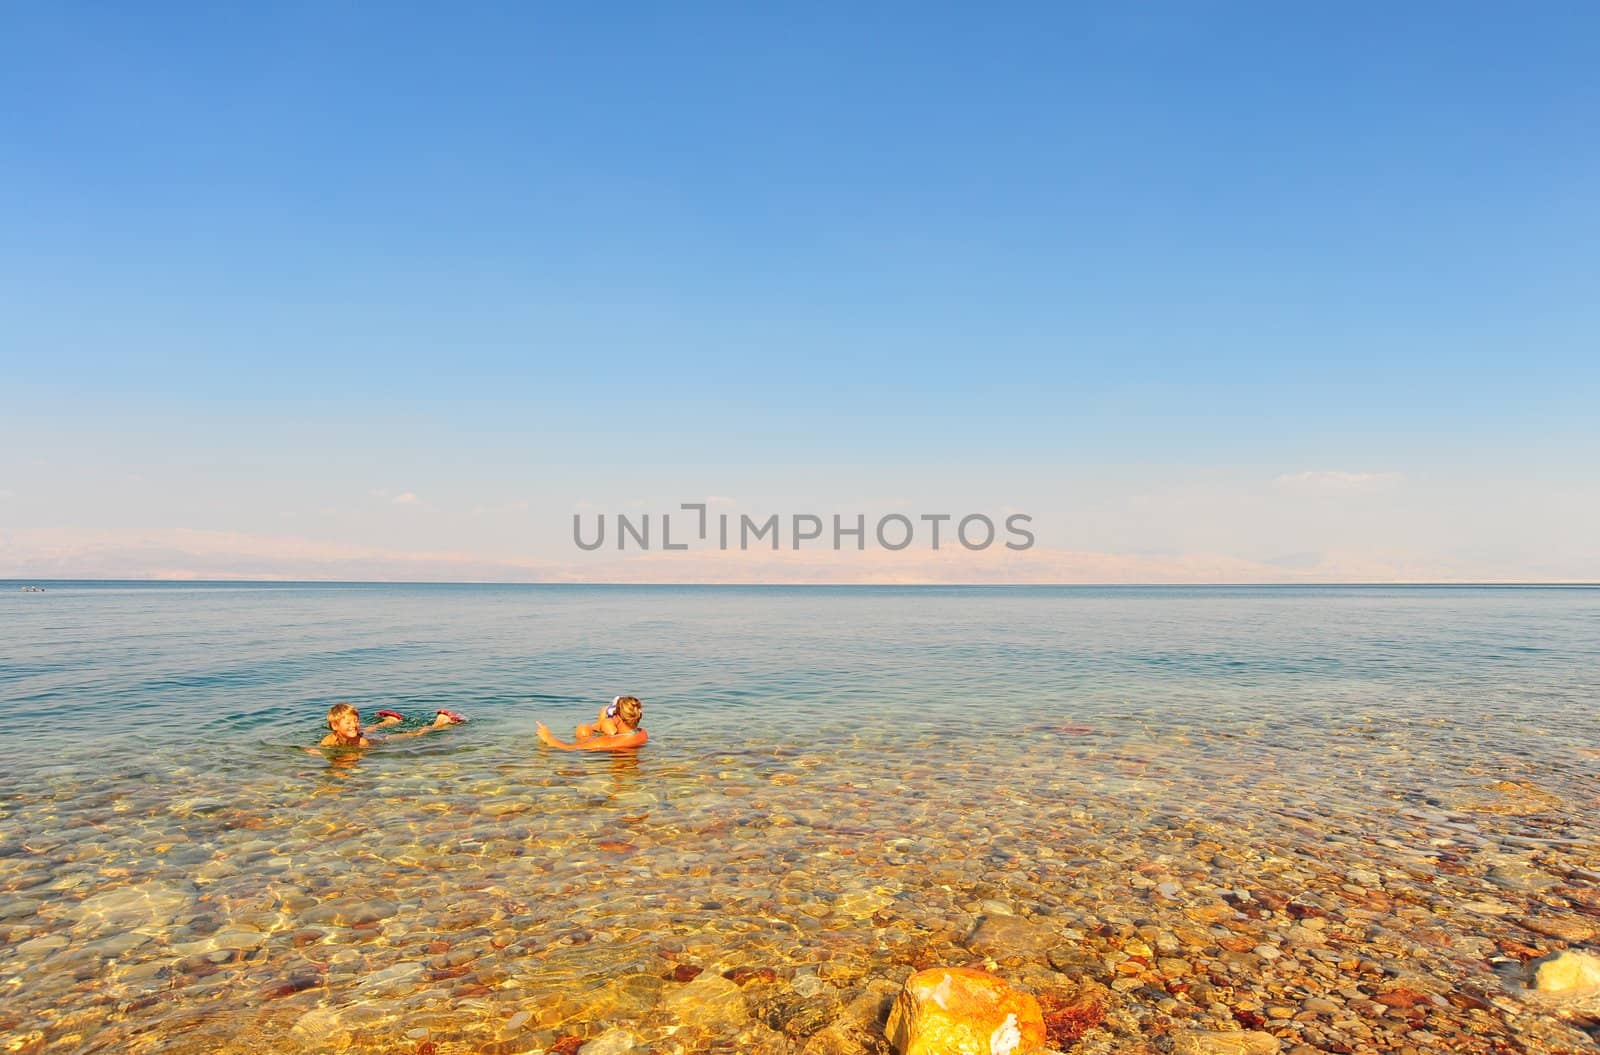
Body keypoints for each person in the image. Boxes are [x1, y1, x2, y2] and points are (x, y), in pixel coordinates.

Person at [317, 703, 467, 749]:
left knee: (414, 734)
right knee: (360, 732)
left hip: (378, 739)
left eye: (356, 721)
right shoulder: (330, 738)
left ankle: (441, 721)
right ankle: (390, 721)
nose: (354, 725)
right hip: (360, 737)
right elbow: (318, 749)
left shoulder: (362, 742)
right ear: (335, 726)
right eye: (348, 722)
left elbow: (355, 758)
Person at [538, 695, 647, 751]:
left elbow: (569, 749)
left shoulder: (608, 741)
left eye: (613, 715)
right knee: (585, 730)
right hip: (626, 763)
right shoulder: (642, 733)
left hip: (616, 774)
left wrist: (548, 737)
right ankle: (599, 723)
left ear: (617, 718)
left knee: (582, 730)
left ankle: (599, 723)